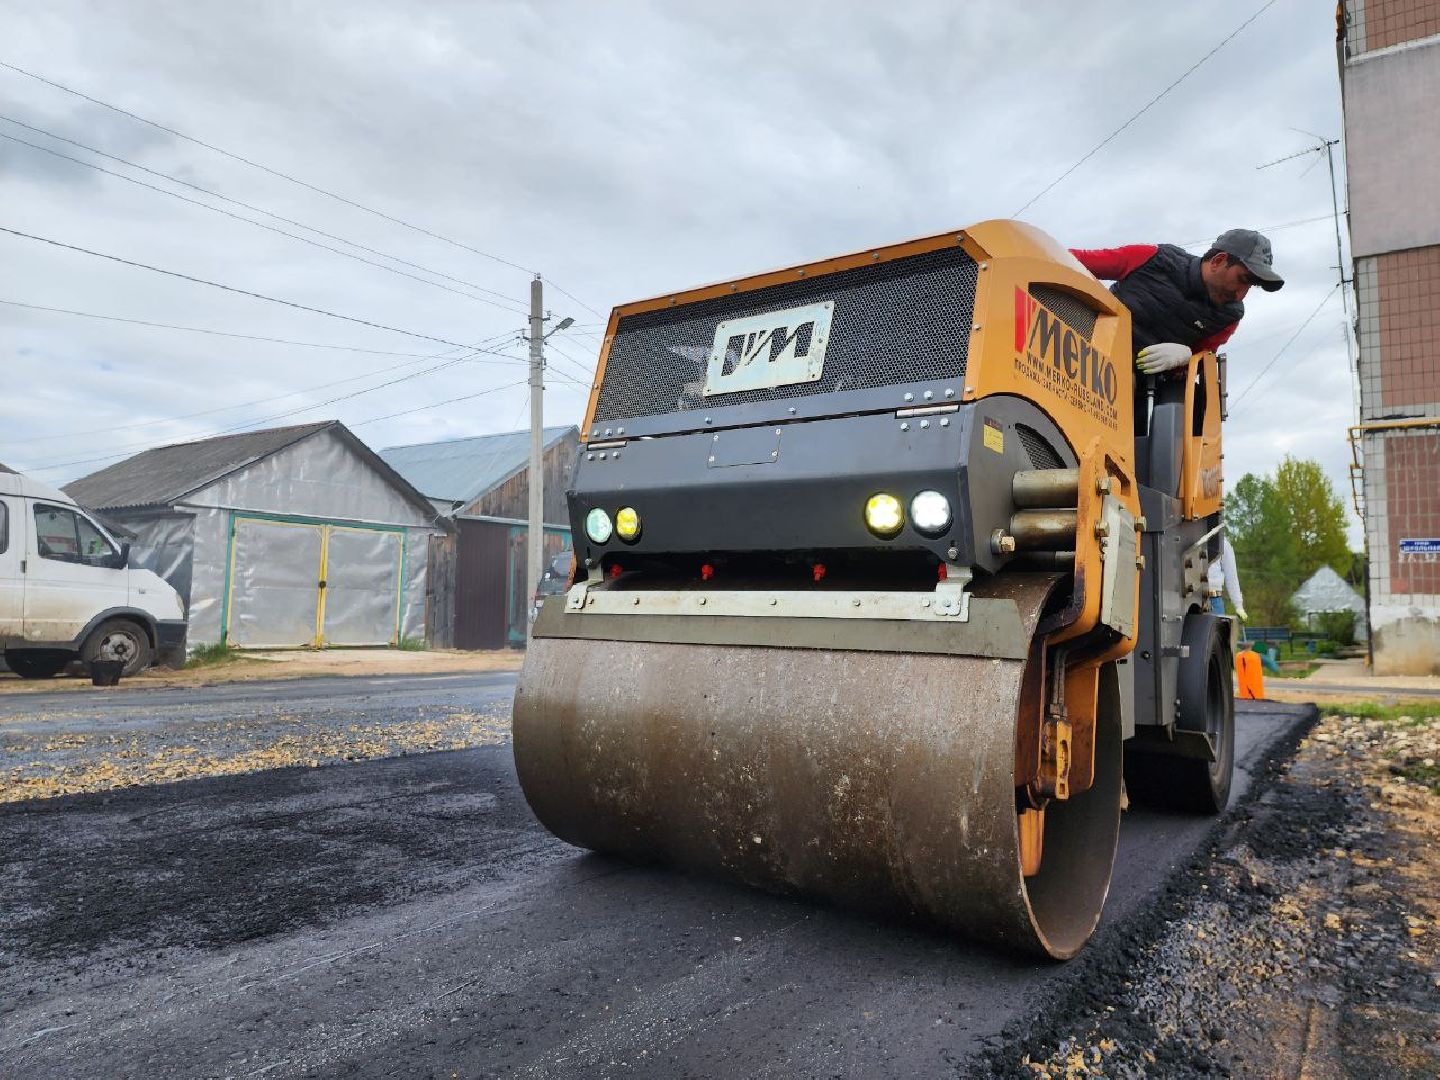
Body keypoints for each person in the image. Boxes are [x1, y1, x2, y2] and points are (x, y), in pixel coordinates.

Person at [1070, 228, 1284, 393]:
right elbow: (1071, 262)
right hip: (1077, 346)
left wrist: (1187, 356)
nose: (1241, 294)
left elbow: (1203, 360)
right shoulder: (1153, 259)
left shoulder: (1228, 316)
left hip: (1134, 386)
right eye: (1243, 279)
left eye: (1251, 286)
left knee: (1123, 382)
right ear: (1218, 261)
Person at [1206, 536, 1247, 621]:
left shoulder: (1222, 543)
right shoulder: (1185, 538)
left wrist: (1238, 606)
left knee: (1217, 633)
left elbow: (1231, 575)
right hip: (1187, 600)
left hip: (1214, 600)